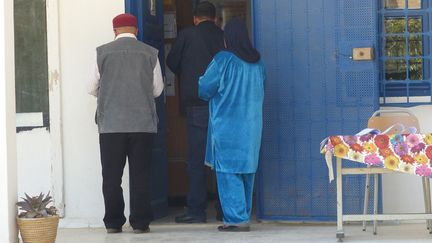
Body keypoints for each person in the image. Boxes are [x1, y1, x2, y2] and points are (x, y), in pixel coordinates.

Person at [87, 13, 164, 234]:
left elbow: (91, 87)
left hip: (111, 125)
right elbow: (157, 89)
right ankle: (140, 223)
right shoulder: (150, 53)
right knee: (141, 175)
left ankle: (113, 223)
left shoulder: (101, 53)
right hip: (142, 125)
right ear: (136, 30)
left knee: (111, 176)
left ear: (114, 31)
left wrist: (108, 94)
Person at [198, 19, 266, 232]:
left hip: (228, 127)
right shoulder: (258, 62)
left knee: (228, 172)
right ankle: (242, 215)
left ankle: (236, 219)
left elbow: (204, 88)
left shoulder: (223, 59)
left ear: (227, 38)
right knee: (247, 171)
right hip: (252, 127)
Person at [166, 1, 224, 223]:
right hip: (221, 106)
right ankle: (223, 210)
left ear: (195, 18)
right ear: (215, 17)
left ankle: (196, 211)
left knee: (197, 160)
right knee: (221, 161)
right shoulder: (222, 36)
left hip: (197, 104)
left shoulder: (187, 35)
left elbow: (172, 62)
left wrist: (188, 72)